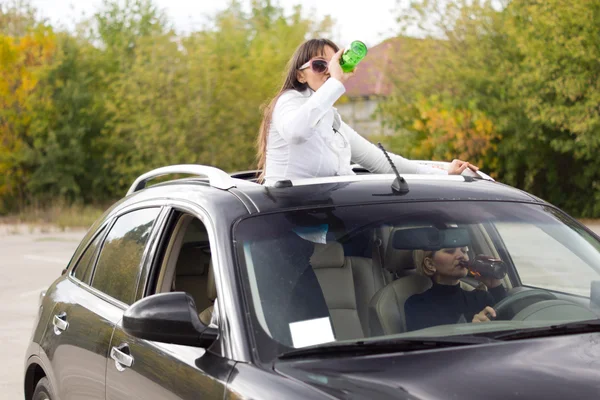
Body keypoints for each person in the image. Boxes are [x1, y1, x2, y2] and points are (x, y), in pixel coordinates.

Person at [256, 38, 479, 185]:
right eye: (319, 65)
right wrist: (335, 83)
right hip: (284, 222)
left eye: (335, 64)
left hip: (322, 216)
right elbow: (297, 132)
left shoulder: (330, 119)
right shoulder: (288, 102)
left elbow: (380, 162)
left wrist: (444, 174)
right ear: (300, 75)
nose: (329, 71)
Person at [404, 246, 507, 332]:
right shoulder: (417, 305)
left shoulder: (481, 297)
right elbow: (428, 349)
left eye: (464, 250)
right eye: (450, 251)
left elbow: (513, 324)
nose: (462, 256)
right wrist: (471, 329)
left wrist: (494, 285)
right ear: (430, 264)